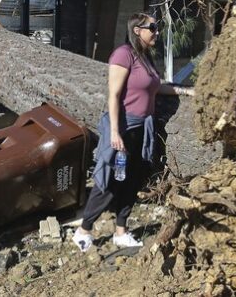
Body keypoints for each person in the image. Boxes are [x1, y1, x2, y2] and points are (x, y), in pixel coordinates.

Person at [72, 13, 195, 252]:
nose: (157, 32)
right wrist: (115, 133)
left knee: (131, 180)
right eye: (153, 27)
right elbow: (114, 95)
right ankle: (84, 230)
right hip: (124, 128)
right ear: (137, 30)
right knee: (110, 179)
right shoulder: (123, 54)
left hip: (142, 130)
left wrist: (187, 92)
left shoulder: (145, 57)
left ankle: (121, 231)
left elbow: (156, 87)